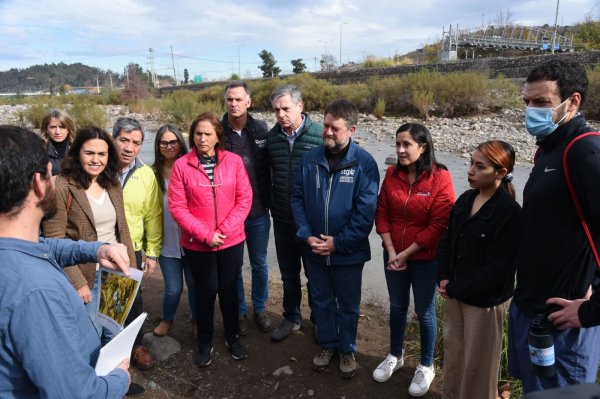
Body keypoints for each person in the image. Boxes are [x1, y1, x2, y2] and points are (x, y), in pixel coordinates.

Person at [0, 125, 131, 398]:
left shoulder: (15, 251)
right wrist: (120, 379)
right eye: (50, 173)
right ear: (39, 183)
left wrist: (97, 249)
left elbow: (46, 245)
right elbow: (77, 393)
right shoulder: (36, 294)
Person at [508, 58, 600, 393]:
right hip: (533, 311)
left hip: (565, 325)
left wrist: (591, 310)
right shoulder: (548, 149)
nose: (531, 110)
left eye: (542, 102)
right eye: (527, 102)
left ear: (572, 101)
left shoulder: (585, 151)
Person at [291, 99, 379, 379]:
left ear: (351, 129)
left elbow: (366, 214)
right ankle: (327, 345)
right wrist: (306, 235)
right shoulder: (310, 159)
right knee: (321, 300)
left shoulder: (364, 163)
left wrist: (338, 243)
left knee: (349, 304)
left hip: (348, 253)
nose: (327, 132)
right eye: (326, 125)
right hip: (314, 250)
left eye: (335, 128)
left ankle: (348, 348)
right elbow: (297, 199)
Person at [373, 123, 454, 397]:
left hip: (425, 259)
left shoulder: (441, 177)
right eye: (397, 144)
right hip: (393, 253)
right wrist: (392, 250)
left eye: (406, 144)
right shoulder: (391, 174)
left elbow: (439, 224)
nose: (400, 150)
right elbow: (381, 212)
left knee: (425, 311)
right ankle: (395, 355)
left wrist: (406, 254)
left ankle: (426, 365)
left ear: (423, 147)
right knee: (397, 307)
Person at [437, 140, 521, 399]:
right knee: (455, 357)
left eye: (480, 166)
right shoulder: (466, 199)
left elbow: (499, 268)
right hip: (455, 294)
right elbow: (447, 241)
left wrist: (454, 286)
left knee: (480, 366)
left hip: (485, 304)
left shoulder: (509, 213)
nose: (471, 170)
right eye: (471, 163)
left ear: (501, 173)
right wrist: (442, 277)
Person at [168, 112, 252, 367]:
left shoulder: (234, 162)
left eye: (207, 134)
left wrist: (223, 231)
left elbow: (244, 199)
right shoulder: (182, 165)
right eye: (197, 134)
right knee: (204, 292)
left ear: (217, 137)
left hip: (231, 240)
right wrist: (206, 235)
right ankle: (204, 342)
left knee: (228, 289)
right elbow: (177, 207)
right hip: (198, 243)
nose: (202, 138)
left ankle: (232, 336)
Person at [42, 126, 136, 342]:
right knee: (91, 336)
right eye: (89, 153)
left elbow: (122, 229)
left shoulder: (112, 184)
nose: (96, 160)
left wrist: (131, 265)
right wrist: (77, 282)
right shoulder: (63, 186)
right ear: (77, 154)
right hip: (86, 276)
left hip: (116, 272)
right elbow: (54, 239)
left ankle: (111, 374)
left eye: (102, 154)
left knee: (115, 332)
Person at [266, 84, 323, 342]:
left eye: (286, 108)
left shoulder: (320, 136)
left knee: (315, 274)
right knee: (289, 274)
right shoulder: (272, 139)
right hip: (282, 219)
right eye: (276, 109)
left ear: (300, 106)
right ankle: (291, 317)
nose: (280, 114)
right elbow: (265, 175)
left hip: (312, 222)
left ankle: (319, 320)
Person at [222, 80, 272, 335]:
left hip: (258, 211)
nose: (234, 104)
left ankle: (260, 308)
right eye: (230, 99)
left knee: (259, 263)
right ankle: (240, 310)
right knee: (234, 265)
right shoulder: (218, 132)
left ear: (248, 102)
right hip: (229, 215)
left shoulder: (261, 129)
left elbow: (272, 165)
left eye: (239, 99)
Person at [112, 117, 163, 371]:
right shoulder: (98, 168)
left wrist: (151, 254)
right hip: (99, 246)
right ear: (113, 140)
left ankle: (136, 347)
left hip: (131, 248)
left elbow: (153, 216)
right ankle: (103, 349)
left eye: (136, 143)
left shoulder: (146, 175)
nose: (129, 147)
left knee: (133, 301)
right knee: (102, 302)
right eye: (124, 140)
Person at [152, 124, 197, 338]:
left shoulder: (192, 166)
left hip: (192, 238)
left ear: (180, 142)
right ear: (158, 146)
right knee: (173, 288)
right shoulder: (152, 173)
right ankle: (168, 319)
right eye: (164, 142)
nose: (169, 146)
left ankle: (196, 319)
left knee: (195, 284)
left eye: (173, 142)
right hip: (166, 241)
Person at [40, 108, 76, 175]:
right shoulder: (40, 150)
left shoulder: (78, 148)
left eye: (62, 127)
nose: (57, 132)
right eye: (53, 127)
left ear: (68, 129)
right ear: (46, 129)